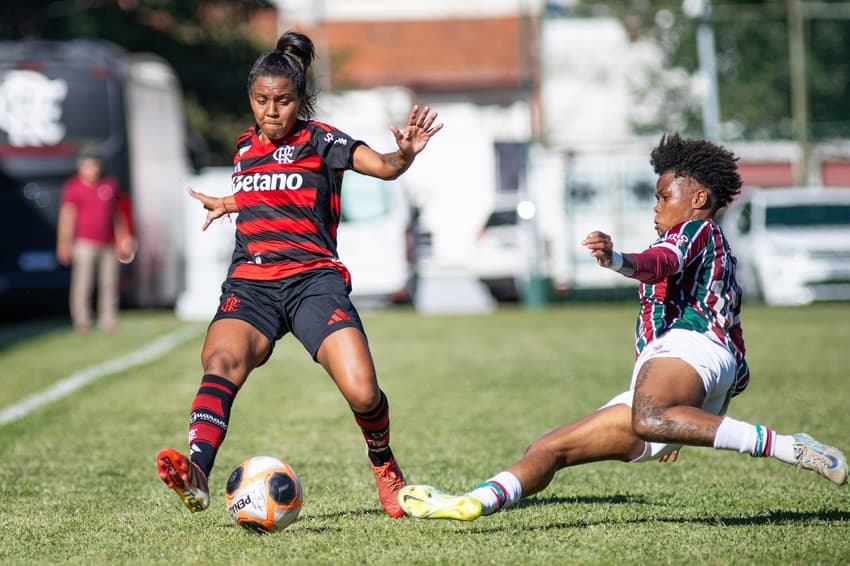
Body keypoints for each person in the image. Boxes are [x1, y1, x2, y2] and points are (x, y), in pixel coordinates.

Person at [397, 133, 848, 521]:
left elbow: (658, 264)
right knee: (550, 449)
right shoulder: (699, 245)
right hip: (684, 372)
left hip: (693, 352)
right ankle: (470, 502)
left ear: (697, 199)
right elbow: (725, 345)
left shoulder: (698, 232)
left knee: (649, 416)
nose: (656, 207)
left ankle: (788, 447)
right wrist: (681, 419)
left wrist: (617, 259)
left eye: (663, 197)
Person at [155, 30, 442, 519]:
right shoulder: (245, 146)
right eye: (262, 100)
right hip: (251, 283)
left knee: (363, 391)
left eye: (283, 101)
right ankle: (198, 472)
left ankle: (384, 464)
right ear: (251, 99)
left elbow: (382, 166)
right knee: (221, 360)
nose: (272, 110)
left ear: (300, 101)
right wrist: (229, 202)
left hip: (313, 283)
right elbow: (265, 193)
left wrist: (404, 156)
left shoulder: (322, 140)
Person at [56, 147, 135, 334]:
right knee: (83, 283)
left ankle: (108, 320)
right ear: (81, 166)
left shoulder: (109, 184)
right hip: (84, 243)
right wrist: (63, 244)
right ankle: (82, 321)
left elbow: (117, 215)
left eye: (95, 164)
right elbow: (67, 217)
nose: (92, 168)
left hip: (108, 242)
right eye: (88, 164)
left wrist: (123, 237)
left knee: (109, 283)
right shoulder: (74, 187)